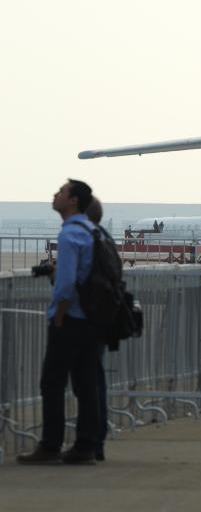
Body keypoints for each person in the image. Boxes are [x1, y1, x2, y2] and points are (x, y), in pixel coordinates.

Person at [18, 179, 99, 465]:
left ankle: (50, 445)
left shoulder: (69, 234)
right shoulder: (92, 230)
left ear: (73, 200)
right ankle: (85, 446)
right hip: (92, 318)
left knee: (52, 382)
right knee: (85, 384)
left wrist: (60, 314)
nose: (55, 194)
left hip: (71, 318)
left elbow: (66, 285)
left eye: (62, 192)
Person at [84, 196, 110, 462]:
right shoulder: (104, 236)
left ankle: (87, 442)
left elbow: (68, 282)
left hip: (84, 320)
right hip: (101, 317)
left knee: (86, 383)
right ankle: (97, 440)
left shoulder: (80, 236)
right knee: (97, 380)